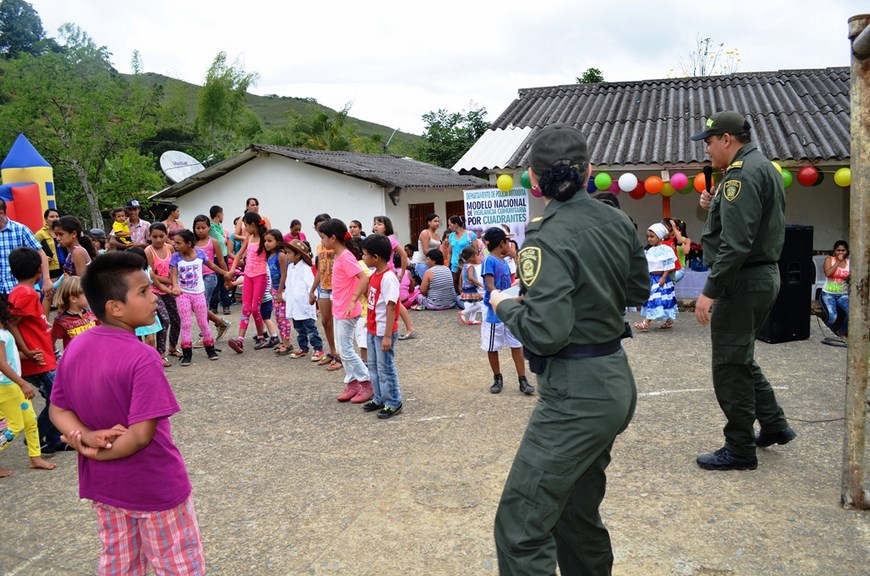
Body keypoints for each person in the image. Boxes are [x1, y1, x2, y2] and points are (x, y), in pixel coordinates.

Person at [488, 123, 649, 575]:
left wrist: (505, 306)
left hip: (575, 395)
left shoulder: (545, 234)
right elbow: (635, 287)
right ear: (590, 172)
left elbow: (546, 332)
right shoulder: (616, 219)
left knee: (520, 525)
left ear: (535, 182)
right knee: (574, 515)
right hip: (613, 379)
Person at [49, 251, 205, 574]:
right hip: (155, 486)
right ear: (114, 307)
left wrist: (87, 439)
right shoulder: (143, 357)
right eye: (144, 292)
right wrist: (95, 451)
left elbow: (57, 408)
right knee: (177, 565)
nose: (153, 298)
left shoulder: (76, 347)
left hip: (105, 489)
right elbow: (140, 436)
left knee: (120, 565)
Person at [692, 110, 796, 471]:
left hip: (743, 279)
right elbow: (743, 224)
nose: (705, 150)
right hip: (760, 275)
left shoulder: (740, 175)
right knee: (742, 357)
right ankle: (774, 424)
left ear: (726, 139)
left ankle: (738, 448)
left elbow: (736, 244)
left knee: (729, 365)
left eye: (708, 142)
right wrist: (712, 204)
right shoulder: (760, 167)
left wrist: (709, 290)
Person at [6, 247, 67, 453]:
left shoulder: (25, 292)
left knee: (58, 396)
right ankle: (40, 434)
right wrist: (26, 351)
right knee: (59, 397)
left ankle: (51, 438)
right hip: (37, 359)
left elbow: (30, 321)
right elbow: (12, 322)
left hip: (42, 355)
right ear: (38, 271)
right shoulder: (25, 294)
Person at [0, 292, 56, 476]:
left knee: (31, 421)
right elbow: (1, 363)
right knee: (14, 425)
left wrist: (26, 355)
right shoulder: (0, 334)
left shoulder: (5, 332)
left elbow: (9, 357)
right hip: (7, 386)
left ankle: (35, 457)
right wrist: (22, 383)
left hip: (13, 384)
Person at [319, 218, 372, 404]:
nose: (322, 241)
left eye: (323, 237)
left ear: (333, 238)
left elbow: (364, 278)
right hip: (340, 309)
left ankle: (366, 383)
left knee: (346, 351)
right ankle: (352, 383)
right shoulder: (339, 256)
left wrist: (354, 298)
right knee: (343, 349)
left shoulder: (346, 257)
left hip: (348, 310)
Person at [478, 227, 532, 396]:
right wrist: (499, 297)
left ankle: (522, 379)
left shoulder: (504, 261)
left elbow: (508, 283)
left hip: (508, 306)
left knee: (516, 343)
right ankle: (497, 377)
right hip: (495, 309)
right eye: (507, 242)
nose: (509, 245)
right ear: (501, 243)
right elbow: (490, 285)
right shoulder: (489, 261)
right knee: (492, 346)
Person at [360, 233, 403, 419]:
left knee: (385, 368)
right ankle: (379, 398)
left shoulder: (388, 278)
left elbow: (392, 307)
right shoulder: (374, 275)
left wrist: (387, 336)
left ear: (376, 257)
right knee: (374, 366)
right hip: (372, 328)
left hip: (383, 331)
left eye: (365, 254)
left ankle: (394, 401)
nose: (363, 257)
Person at [170, 230, 221, 365]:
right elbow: (173, 275)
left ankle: (210, 348)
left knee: (203, 322)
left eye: (178, 243)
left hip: (198, 293)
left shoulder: (200, 254)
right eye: (175, 243)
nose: (175, 245)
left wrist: (225, 273)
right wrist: (175, 287)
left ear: (189, 243)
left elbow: (212, 265)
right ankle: (187, 352)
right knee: (186, 323)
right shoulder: (176, 257)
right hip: (182, 294)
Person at [226, 213, 270, 354]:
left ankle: (262, 337)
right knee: (246, 307)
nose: (244, 228)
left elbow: (274, 251)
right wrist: (232, 270)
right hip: (248, 276)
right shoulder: (249, 238)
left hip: (260, 276)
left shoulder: (265, 239)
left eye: (246, 225)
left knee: (255, 308)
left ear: (253, 225)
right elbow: (238, 254)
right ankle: (240, 340)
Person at [0, 199, 54, 304]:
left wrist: (46, 279)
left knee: (22, 320)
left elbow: (40, 254)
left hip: (19, 289)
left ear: (1, 213)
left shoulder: (20, 230)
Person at [372, 216, 417, 340]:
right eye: (375, 224)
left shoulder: (390, 240)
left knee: (395, 303)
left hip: (389, 273)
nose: (376, 226)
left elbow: (403, 254)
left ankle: (410, 328)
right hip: (380, 273)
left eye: (379, 224)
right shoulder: (379, 239)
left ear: (386, 226)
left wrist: (402, 273)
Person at [145, 223, 182, 359]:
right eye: (155, 237)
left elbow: (174, 268)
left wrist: (174, 284)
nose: (158, 240)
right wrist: (169, 282)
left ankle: (172, 346)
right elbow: (151, 275)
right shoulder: (149, 251)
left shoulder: (170, 248)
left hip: (171, 289)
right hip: (155, 290)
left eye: (161, 236)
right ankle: (161, 352)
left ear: (166, 235)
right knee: (164, 320)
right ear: (150, 236)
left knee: (176, 318)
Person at [192, 215, 231, 342]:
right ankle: (220, 323)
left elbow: (220, 260)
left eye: (203, 227)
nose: (200, 230)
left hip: (209, 276)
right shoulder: (192, 243)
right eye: (198, 228)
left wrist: (227, 276)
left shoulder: (213, 242)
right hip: (195, 278)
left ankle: (204, 334)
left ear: (209, 227)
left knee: (202, 305)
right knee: (199, 306)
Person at [283, 239, 324, 360]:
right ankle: (303, 348)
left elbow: (311, 284)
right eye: (286, 252)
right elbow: (288, 284)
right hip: (294, 304)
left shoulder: (305, 268)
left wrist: (313, 296)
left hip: (304, 304)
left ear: (298, 254)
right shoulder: (290, 268)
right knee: (299, 328)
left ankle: (318, 348)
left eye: (289, 253)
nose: (287, 255)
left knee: (310, 328)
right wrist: (285, 296)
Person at [634, 223, 678, 331]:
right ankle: (669, 320)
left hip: (660, 279)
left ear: (660, 236)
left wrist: (663, 277)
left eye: (652, 236)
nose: (649, 239)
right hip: (651, 279)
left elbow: (668, 265)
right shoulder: (649, 250)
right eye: (648, 237)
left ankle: (646, 323)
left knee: (656, 299)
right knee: (657, 300)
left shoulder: (666, 250)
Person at [309, 213, 338, 367]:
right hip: (324, 287)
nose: (321, 229)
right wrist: (312, 289)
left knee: (338, 322)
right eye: (318, 227)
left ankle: (340, 354)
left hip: (337, 287)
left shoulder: (336, 243)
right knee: (326, 322)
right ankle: (333, 351)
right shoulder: (320, 246)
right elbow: (320, 269)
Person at [264, 229, 293, 355]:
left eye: (270, 241)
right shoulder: (269, 256)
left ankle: (287, 343)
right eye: (265, 241)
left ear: (278, 241)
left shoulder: (280, 255)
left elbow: (284, 274)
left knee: (283, 317)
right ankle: (283, 341)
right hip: (275, 289)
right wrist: (272, 289)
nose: (267, 243)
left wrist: (280, 292)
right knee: (278, 317)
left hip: (283, 290)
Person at [50, 276, 99, 350]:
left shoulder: (92, 313)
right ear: (73, 299)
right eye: (86, 293)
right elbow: (51, 342)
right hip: (75, 359)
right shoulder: (61, 321)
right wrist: (57, 355)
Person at [35, 208, 62, 316]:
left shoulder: (61, 231)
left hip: (64, 266)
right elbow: (34, 250)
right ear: (46, 219)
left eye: (56, 216)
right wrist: (44, 258)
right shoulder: (40, 234)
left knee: (63, 295)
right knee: (49, 295)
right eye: (51, 216)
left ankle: (62, 321)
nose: (55, 218)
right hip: (51, 268)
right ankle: (45, 321)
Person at [820, 240, 849, 338]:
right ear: (834, 251)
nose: (840, 253)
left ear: (847, 252)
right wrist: (838, 262)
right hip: (828, 294)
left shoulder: (849, 263)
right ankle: (824, 334)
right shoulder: (829, 259)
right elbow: (828, 273)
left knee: (852, 315)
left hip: (843, 294)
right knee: (832, 316)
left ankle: (841, 332)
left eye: (843, 251)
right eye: (838, 250)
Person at [458, 244, 484, 325]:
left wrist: (460, 286)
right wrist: (480, 284)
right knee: (479, 305)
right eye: (477, 255)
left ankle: (472, 319)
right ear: (472, 257)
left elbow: (461, 277)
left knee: (476, 304)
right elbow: (471, 278)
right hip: (471, 289)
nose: (479, 256)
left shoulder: (465, 266)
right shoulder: (470, 267)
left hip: (467, 288)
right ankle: (463, 312)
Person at [663, 217, 691, 283]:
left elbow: (686, 252)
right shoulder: (666, 239)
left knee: (667, 283)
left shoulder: (685, 240)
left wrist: (674, 228)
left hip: (679, 268)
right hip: (669, 269)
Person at [414, 214, 441, 279]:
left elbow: (438, 249)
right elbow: (425, 251)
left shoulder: (437, 235)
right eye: (435, 221)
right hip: (424, 263)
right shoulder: (425, 233)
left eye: (438, 221)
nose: (437, 223)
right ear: (429, 222)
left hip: (434, 263)